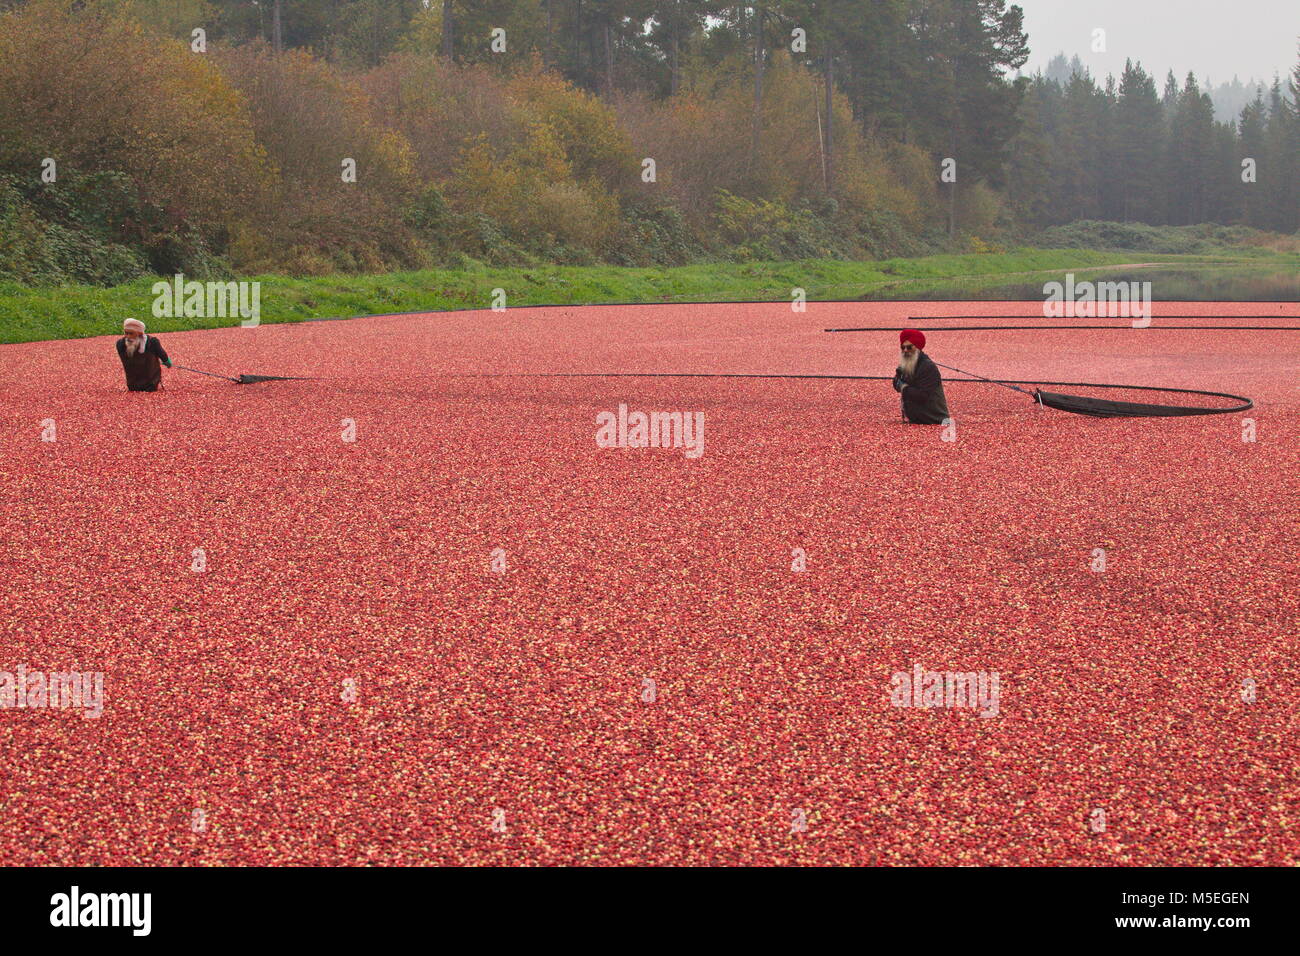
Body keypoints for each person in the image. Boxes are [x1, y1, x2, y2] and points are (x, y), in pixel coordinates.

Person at [892, 329, 950, 424]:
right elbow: (896, 383)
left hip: (933, 419)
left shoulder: (927, 367)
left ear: (917, 348)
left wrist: (903, 387)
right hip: (916, 419)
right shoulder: (907, 364)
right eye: (903, 347)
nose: (906, 350)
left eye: (909, 347)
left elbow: (922, 395)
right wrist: (899, 380)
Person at [116, 318, 172, 392]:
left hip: (150, 383)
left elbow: (162, 354)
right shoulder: (120, 344)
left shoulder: (152, 342)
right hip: (132, 383)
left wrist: (167, 362)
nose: (128, 336)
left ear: (139, 333)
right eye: (126, 333)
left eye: (131, 333)